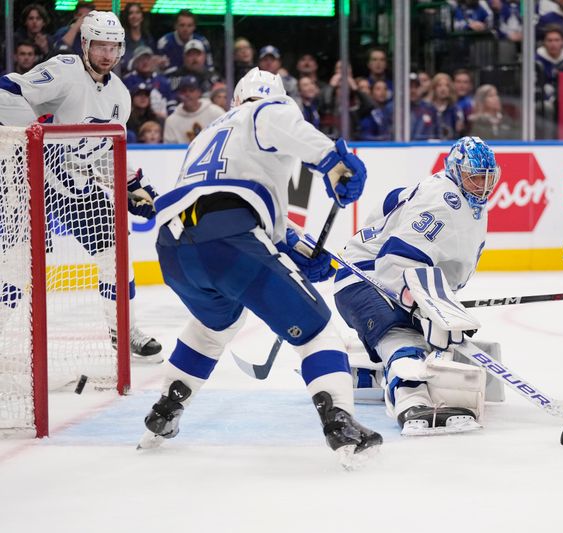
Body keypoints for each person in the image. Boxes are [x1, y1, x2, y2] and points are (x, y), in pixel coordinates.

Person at [137, 67, 381, 468]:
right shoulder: (268, 110)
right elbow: (284, 131)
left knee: (215, 325)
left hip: (174, 249)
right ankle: (340, 421)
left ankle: (164, 411)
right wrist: (336, 163)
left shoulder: (210, 131)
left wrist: (302, 250)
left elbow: (262, 217)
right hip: (229, 242)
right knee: (317, 331)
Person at [0, 10, 162, 360]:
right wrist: (35, 134)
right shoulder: (65, 69)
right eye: (100, 46)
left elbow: (104, 150)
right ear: (85, 44)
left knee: (116, 255)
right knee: (15, 266)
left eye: (114, 47)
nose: (107, 54)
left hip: (76, 189)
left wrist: (133, 184)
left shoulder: (120, 95)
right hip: (31, 182)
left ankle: (124, 331)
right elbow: (7, 90)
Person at [333, 136, 500, 434]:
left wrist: (436, 302)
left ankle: (365, 373)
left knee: (432, 341)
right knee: (404, 339)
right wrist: (426, 304)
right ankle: (411, 401)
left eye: (488, 178)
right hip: (367, 279)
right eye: (474, 177)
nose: (482, 186)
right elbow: (395, 262)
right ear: (455, 170)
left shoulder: (456, 196)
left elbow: (391, 202)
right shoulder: (441, 201)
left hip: (387, 280)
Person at [163, 76, 225, 144]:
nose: (187, 94)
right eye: (184, 91)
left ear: (199, 92)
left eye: (191, 90)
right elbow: (170, 149)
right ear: (179, 94)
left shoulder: (216, 112)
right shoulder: (171, 121)